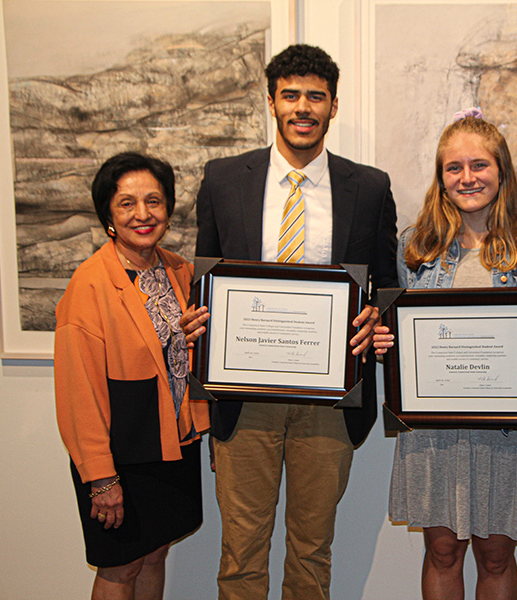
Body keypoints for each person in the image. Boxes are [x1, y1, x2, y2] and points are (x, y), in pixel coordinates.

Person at [183, 44, 397, 600]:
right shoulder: (224, 179)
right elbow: (203, 278)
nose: (304, 107)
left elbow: (388, 286)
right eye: (292, 95)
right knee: (241, 553)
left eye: (316, 97)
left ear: (332, 106)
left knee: (311, 551)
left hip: (329, 400)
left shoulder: (369, 187)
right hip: (243, 396)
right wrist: (197, 319)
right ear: (272, 101)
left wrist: (378, 317)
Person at [373, 111, 517, 600]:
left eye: (479, 165)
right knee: (441, 553)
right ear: (441, 178)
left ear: (502, 172)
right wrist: (386, 346)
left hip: (508, 431)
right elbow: (400, 334)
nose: (467, 177)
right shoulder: (416, 247)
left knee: (496, 556)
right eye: (453, 168)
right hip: (435, 430)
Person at [54, 152, 210, 600]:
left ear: (168, 207)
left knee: (155, 554)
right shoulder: (89, 286)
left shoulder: (181, 271)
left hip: (172, 445)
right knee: (120, 567)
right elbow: (77, 393)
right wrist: (102, 478)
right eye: (127, 203)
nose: (143, 214)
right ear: (108, 212)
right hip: (120, 454)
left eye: (153, 201)